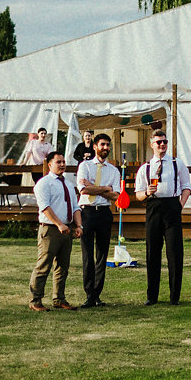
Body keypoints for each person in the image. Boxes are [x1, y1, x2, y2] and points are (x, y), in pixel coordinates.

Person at [135, 131, 191, 305]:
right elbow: (138, 194)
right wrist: (146, 193)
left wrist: (179, 205)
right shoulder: (145, 167)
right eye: (158, 142)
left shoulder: (177, 163)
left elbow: (187, 186)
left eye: (164, 142)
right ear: (152, 144)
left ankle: (175, 296)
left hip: (172, 206)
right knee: (153, 252)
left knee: (175, 252)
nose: (162, 145)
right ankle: (152, 296)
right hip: (153, 206)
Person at [74, 132, 122, 308]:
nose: (105, 148)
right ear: (94, 146)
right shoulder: (85, 166)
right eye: (102, 145)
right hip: (87, 212)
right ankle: (89, 295)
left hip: (104, 212)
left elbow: (116, 195)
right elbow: (83, 191)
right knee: (87, 255)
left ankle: (97, 294)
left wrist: (94, 187)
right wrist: (104, 188)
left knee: (102, 255)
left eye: (108, 145)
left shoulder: (114, 171)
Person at [29, 150, 79, 311]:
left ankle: (59, 299)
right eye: (59, 162)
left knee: (63, 267)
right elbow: (45, 207)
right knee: (44, 266)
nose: (62, 164)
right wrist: (59, 224)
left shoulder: (69, 184)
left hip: (67, 229)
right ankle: (35, 300)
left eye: (63, 161)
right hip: (50, 230)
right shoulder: (44, 183)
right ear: (49, 164)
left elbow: (76, 207)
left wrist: (78, 226)